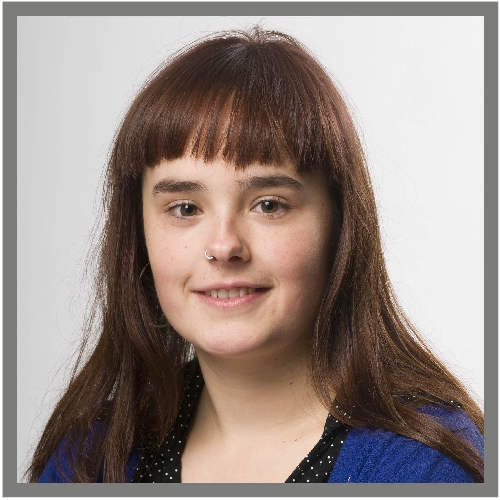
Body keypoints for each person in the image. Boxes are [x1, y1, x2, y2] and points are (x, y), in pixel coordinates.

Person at [28, 27, 483, 483]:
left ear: (339, 225)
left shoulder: (424, 470)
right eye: (185, 208)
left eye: (269, 205)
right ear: (138, 232)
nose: (224, 246)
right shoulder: (88, 458)